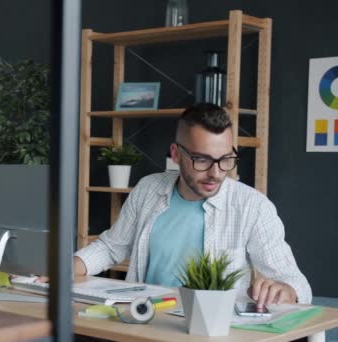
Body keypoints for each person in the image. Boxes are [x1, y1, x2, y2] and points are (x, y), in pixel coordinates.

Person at [72, 103, 312, 308]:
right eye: (202, 160)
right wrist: (68, 268)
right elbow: (111, 247)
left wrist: (286, 290)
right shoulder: (148, 189)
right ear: (176, 154)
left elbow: (296, 282)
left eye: (226, 159)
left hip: (213, 332)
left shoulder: (253, 206)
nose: (216, 173)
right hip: (145, 322)